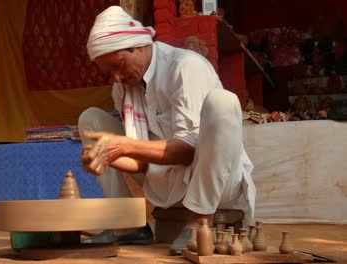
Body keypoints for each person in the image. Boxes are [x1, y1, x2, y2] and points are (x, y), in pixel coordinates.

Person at [78, 6, 256, 255]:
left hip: (216, 181)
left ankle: (198, 221)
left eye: (119, 65)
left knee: (222, 103)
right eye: (109, 72)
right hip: (167, 181)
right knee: (91, 119)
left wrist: (122, 147)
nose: (116, 78)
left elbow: (188, 152)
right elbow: (143, 163)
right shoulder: (124, 88)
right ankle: (126, 224)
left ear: (138, 46)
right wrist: (106, 156)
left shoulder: (184, 66)